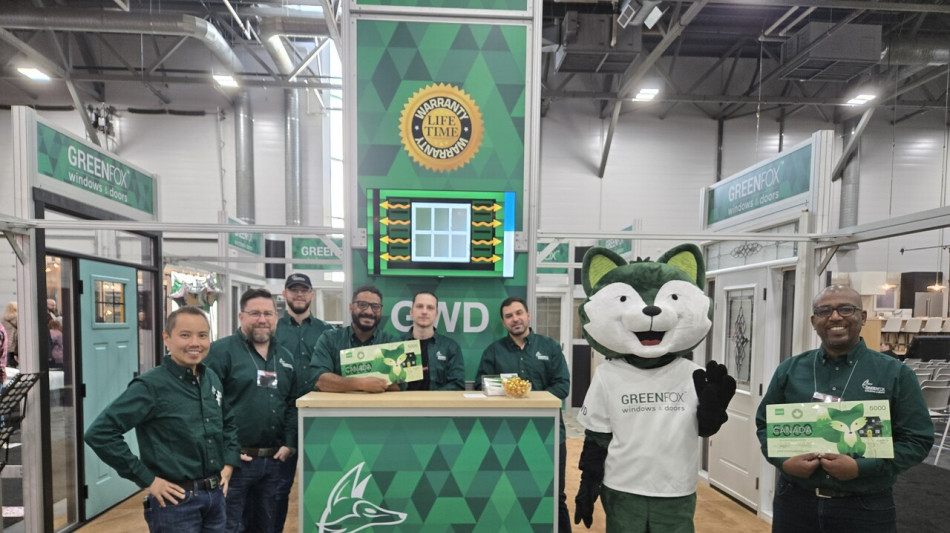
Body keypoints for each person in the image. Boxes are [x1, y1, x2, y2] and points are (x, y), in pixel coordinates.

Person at [754, 285, 933, 533]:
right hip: (795, 502)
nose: (835, 317)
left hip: (865, 508)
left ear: (863, 317)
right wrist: (783, 462)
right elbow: (764, 425)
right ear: (814, 321)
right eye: (824, 311)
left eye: (846, 309)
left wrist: (861, 468)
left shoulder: (895, 374)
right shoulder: (790, 370)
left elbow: (917, 440)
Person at [84, 306, 240, 533]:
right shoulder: (150, 386)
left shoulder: (211, 378)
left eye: (202, 335)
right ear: (167, 338)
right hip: (176, 503)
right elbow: (100, 433)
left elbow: (228, 422)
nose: (195, 343)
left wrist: (229, 464)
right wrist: (148, 479)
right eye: (185, 335)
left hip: (216, 498)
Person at [205, 288, 307, 533]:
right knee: (229, 526)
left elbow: (292, 403)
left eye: (268, 314)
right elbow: (206, 406)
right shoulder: (220, 353)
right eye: (255, 313)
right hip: (235, 463)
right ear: (241, 316)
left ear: (276, 318)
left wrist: (290, 442)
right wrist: (224, 449)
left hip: (276, 462)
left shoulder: (285, 357)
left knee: (269, 526)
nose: (262, 319)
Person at [474, 297, 571, 533]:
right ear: (503, 322)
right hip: (506, 437)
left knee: (555, 495)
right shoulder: (493, 351)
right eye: (509, 316)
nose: (515, 319)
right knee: (510, 496)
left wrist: (528, 397)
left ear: (528, 315)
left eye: (519, 313)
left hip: (550, 435)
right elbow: (480, 386)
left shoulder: (549, 347)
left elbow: (562, 386)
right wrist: (504, 392)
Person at [310, 285, 399, 393]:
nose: (369, 312)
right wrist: (362, 384)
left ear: (381, 310)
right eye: (362, 305)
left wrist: (341, 383)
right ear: (351, 307)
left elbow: (400, 384)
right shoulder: (330, 339)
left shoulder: (392, 343)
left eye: (375, 307)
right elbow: (320, 381)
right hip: (339, 404)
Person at [275, 273, 331, 387]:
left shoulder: (328, 332)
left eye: (304, 290)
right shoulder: (272, 330)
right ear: (284, 294)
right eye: (294, 290)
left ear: (312, 295)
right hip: (283, 398)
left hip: (319, 397)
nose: (299, 294)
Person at [402, 291, 465, 391]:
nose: (424, 311)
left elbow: (457, 385)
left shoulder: (451, 347)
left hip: (439, 401)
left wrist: (430, 398)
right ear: (411, 312)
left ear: (436, 314)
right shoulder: (396, 345)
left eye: (430, 308)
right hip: (403, 401)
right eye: (419, 306)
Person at [2, 302, 17, 368]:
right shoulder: (17, 317)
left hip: (6, 341)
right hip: (14, 341)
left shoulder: (3, 318)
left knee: (7, 361)